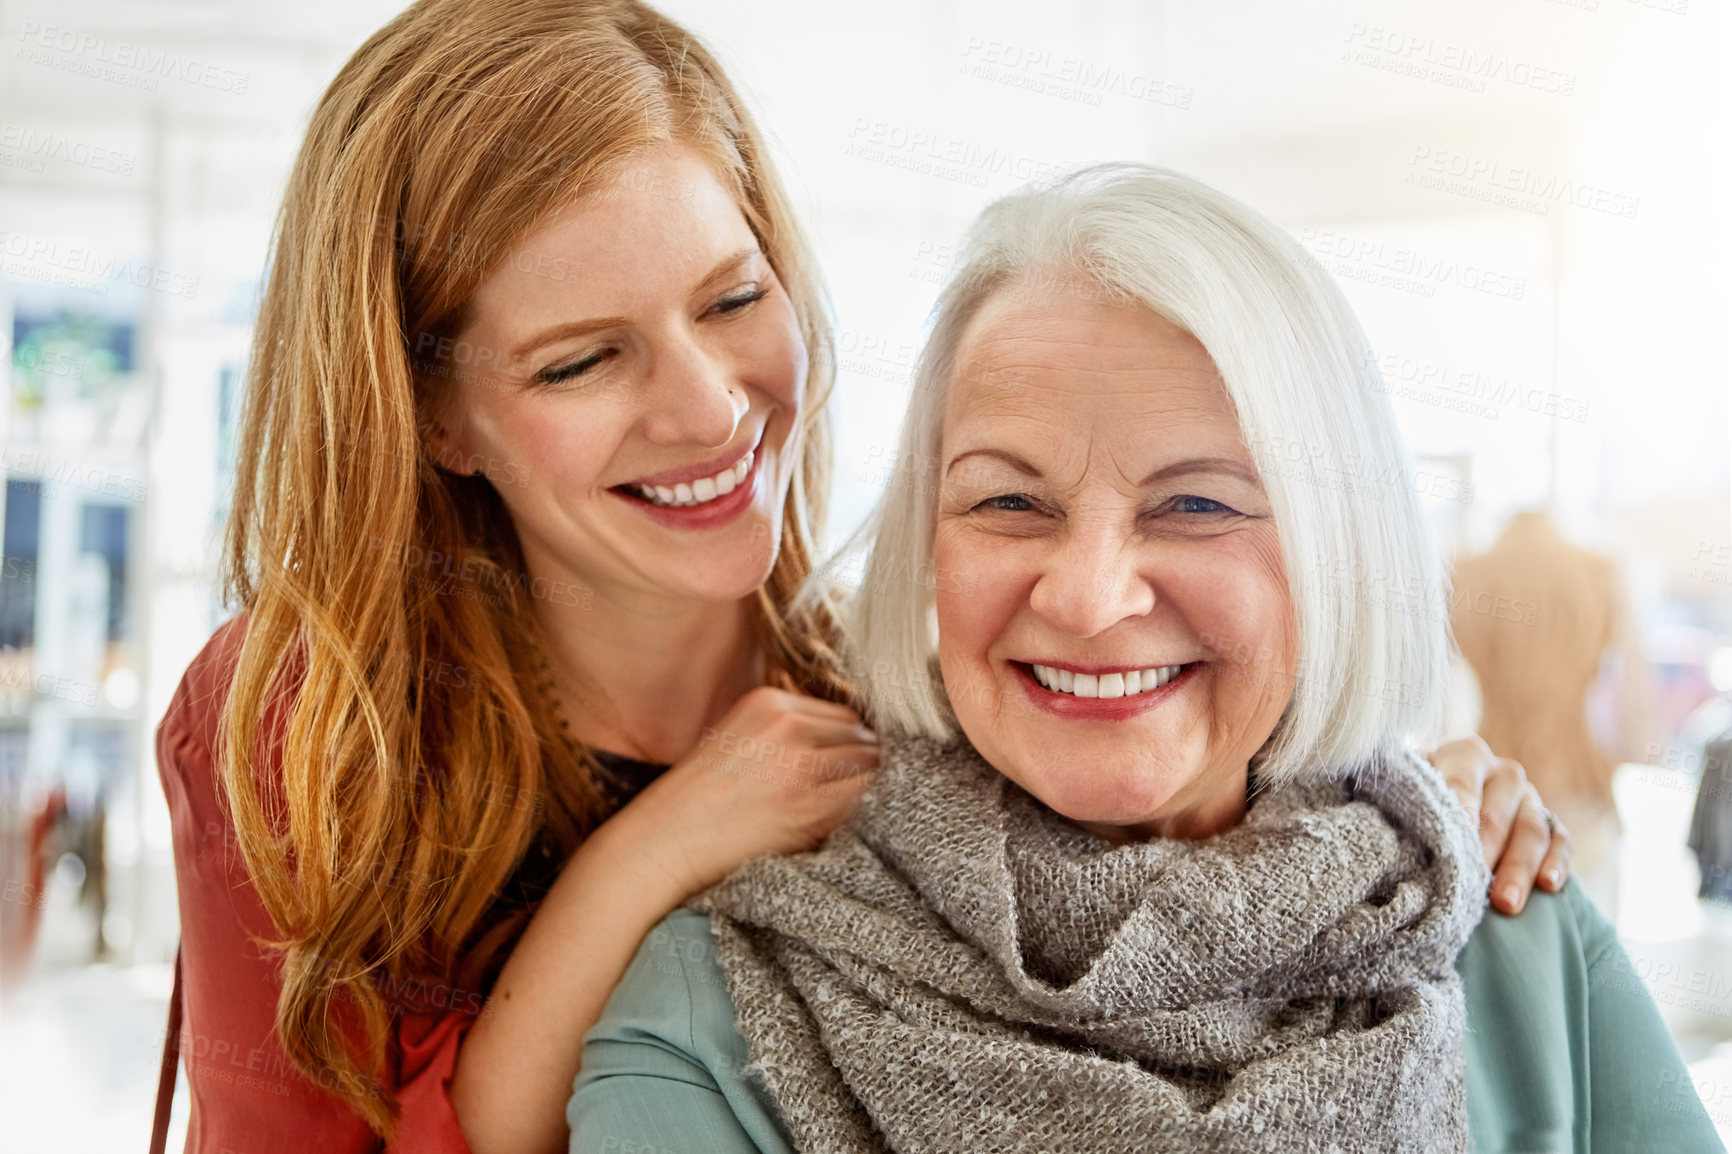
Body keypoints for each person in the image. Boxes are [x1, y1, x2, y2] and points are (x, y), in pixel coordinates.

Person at [157, 3, 1569, 1151]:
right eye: (583, 359)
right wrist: (655, 849)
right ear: (436, 415)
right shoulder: (299, 720)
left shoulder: (886, 676)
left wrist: (1407, 810)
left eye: (732, 299)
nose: (711, 409)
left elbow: (1156, 884)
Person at [567, 166, 1722, 1153]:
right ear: (927, 547)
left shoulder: (1518, 932)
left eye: (1196, 504)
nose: (1085, 593)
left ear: (1340, 555)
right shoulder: (711, 1012)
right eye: (1009, 499)